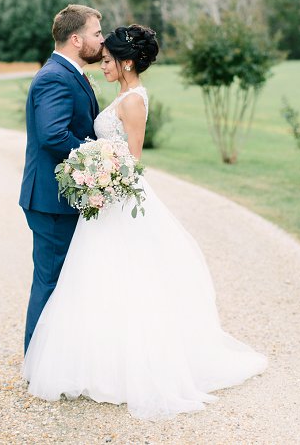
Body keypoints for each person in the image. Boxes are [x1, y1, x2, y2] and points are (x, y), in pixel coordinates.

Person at [22, 24, 267, 419]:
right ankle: (92, 361)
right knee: (92, 282)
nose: (103, 63)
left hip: (117, 199)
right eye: (100, 55)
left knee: (125, 281)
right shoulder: (119, 93)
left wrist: (101, 171)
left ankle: (127, 367)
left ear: (128, 62)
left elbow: (131, 160)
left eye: (108, 59)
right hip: (103, 199)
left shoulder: (134, 100)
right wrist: (95, 166)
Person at [19, 4, 104, 353]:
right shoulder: (54, 76)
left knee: (62, 279)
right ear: (75, 38)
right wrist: (96, 157)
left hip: (60, 198)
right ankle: (37, 362)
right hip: (52, 199)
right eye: (96, 33)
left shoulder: (70, 72)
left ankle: (56, 359)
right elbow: (53, 135)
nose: (101, 40)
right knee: (51, 280)